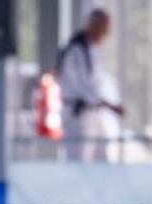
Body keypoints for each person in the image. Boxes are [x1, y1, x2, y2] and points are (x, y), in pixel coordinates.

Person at [56, 8, 123, 158]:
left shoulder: (91, 50)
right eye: (105, 28)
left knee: (102, 157)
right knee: (79, 161)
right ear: (95, 26)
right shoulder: (76, 50)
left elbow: (97, 83)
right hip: (77, 113)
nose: (106, 33)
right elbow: (83, 87)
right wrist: (108, 104)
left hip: (93, 112)